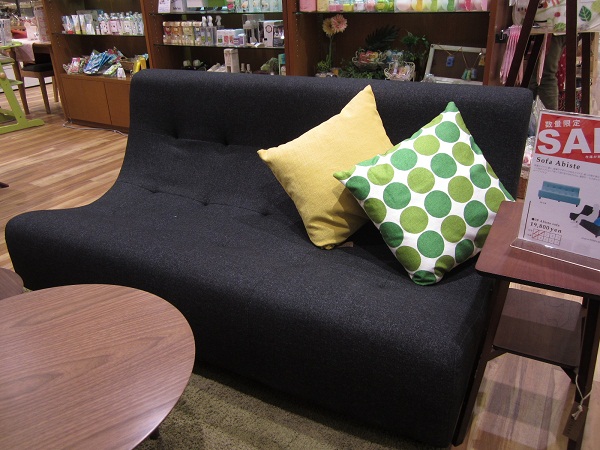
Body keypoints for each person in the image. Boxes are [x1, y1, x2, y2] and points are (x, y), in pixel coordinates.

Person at [528, 34, 567, 110]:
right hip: (553, 31)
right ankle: (527, 113)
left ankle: (550, 116)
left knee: (545, 75)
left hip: (553, 32)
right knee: (534, 76)